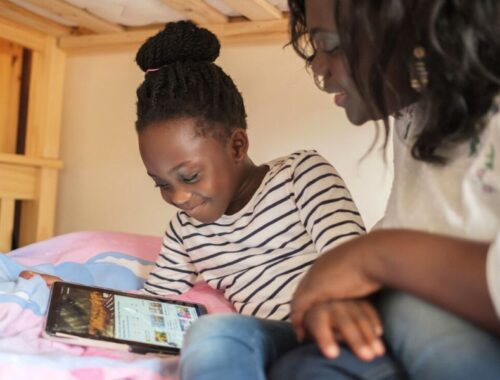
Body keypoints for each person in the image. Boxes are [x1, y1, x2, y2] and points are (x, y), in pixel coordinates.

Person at [134, 21, 404, 380]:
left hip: (337, 321)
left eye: (189, 177)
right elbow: (151, 301)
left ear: (236, 146)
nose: (178, 197)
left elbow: (350, 258)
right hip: (276, 337)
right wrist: (62, 292)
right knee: (211, 334)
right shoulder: (186, 231)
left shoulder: (300, 175)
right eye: (161, 185)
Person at [279, 0, 500, 379]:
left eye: (331, 45)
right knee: (241, 339)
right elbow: (415, 225)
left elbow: (394, 252)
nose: (317, 66)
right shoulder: (415, 115)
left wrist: (370, 258)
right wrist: (341, 296)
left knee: (406, 312)